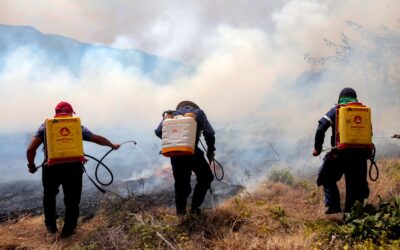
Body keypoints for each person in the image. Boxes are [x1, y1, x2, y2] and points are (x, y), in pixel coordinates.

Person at [26, 101, 120, 237]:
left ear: (56, 112)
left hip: (51, 168)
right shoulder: (76, 125)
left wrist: (31, 165)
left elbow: (30, 149)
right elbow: (96, 138)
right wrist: (111, 145)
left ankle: (51, 227)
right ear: (70, 112)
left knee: (49, 196)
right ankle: (68, 232)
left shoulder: (45, 126)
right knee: (72, 200)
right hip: (73, 169)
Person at [313, 88, 371, 214]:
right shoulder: (364, 111)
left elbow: (321, 128)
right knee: (356, 186)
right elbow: (369, 134)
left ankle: (333, 205)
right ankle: (354, 216)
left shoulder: (337, 110)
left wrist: (317, 148)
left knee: (326, 175)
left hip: (339, 155)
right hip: (360, 157)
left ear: (340, 98)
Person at [155, 100, 215, 216]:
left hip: (175, 155)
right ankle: (194, 210)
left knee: (181, 186)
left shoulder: (170, 115)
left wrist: (172, 141)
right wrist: (210, 150)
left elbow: (158, 131)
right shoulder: (198, 113)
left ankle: (181, 216)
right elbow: (210, 133)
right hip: (191, 152)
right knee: (206, 177)